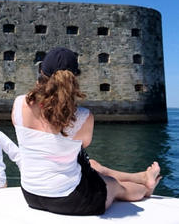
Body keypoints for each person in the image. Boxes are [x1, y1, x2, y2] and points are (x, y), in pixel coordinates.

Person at [12, 47, 161, 215]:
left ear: (41, 71)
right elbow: (83, 144)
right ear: (74, 78)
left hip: (31, 194)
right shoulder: (83, 117)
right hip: (71, 200)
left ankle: (142, 177)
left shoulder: (19, 104)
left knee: (93, 166)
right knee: (116, 186)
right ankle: (146, 190)